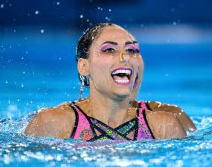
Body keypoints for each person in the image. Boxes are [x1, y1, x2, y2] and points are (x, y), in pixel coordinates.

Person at [24, 23, 186, 141]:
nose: (125, 58)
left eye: (130, 50)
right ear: (84, 66)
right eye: (109, 50)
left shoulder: (164, 127)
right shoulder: (53, 123)